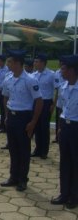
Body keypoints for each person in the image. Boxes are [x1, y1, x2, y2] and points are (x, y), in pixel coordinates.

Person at [0, 51, 43, 192]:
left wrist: (33, 122)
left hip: (24, 118)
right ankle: (13, 176)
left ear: (18, 63)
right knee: (13, 149)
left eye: (10, 62)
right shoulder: (8, 79)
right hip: (12, 117)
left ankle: (23, 179)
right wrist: (6, 115)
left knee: (24, 150)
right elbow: (6, 97)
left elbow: (38, 101)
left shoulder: (30, 80)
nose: (8, 64)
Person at [51, 55, 78, 209]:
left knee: (76, 163)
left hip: (76, 128)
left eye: (64, 68)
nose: (61, 71)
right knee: (65, 162)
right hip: (66, 128)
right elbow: (62, 109)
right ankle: (64, 193)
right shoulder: (63, 87)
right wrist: (60, 128)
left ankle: (74, 196)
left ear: (73, 70)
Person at [31, 54, 55, 159]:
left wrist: (53, 104)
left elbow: (57, 89)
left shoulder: (51, 75)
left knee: (44, 127)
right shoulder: (34, 74)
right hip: (35, 102)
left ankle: (44, 151)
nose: (35, 63)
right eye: (35, 61)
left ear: (43, 63)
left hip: (46, 103)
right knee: (36, 126)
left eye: (37, 61)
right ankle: (37, 149)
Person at [0, 55, 10, 135]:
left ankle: (4, 126)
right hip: (0, 91)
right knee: (1, 109)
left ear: (3, 61)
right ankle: (1, 126)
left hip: (5, 92)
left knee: (5, 109)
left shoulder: (7, 70)